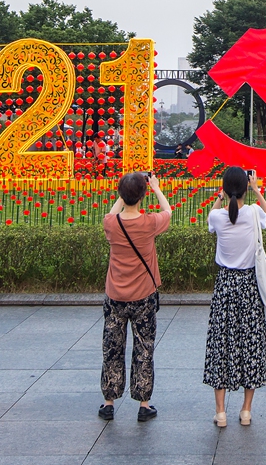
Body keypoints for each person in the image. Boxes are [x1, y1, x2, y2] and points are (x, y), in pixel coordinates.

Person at [203, 167, 266, 427]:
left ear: (224, 188)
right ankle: (246, 410)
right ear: (246, 188)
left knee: (221, 345)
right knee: (250, 344)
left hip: (224, 285)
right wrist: (257, 189)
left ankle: (220, 412)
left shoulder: (217, 216)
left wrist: (221, 198)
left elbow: (210, 219)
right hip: (248, 285)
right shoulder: (254, 212)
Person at [99, 172, 171, 423]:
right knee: (143, 348)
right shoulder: (149, 223)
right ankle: (143, 403)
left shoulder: (111, 223)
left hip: (115, 295)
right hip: (143, 296)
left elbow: (111, 213)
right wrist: (156, 188)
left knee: (112, 347)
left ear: (120, 194)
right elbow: (169, 212)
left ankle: (109, 401)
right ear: (143, 195)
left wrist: (123, 194)